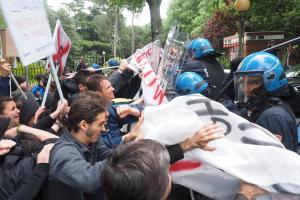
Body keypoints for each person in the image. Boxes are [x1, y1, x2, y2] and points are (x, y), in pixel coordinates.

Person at [234, 51, 298, 152]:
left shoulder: (272, 117)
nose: (244, 89)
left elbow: (276, 162)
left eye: (251, 82)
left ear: (270, 79)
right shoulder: (270, 108)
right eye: (243, 82)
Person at [86, 74, 143, 148]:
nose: (113, 89)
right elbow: (106, 147)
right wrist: (130, 135)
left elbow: (138, 108)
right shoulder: (90, 116)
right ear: (98, 94)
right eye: (108, 87)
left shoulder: (110, 107)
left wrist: (133, 111)